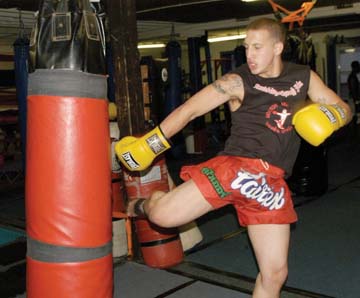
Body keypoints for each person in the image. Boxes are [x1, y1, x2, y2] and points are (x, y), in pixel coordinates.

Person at [115, 18, 351, 297]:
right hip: (233, 169)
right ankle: (145, 203)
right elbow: (189, 111)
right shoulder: (236, 81)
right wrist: (148, 147)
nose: (249, 55)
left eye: (257, 47)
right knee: (164, 217)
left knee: (275, 273)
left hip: (270, 184)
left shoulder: (304, 77)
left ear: (278, 47)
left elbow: (344, 108)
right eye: (246, 47)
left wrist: (332, 115)